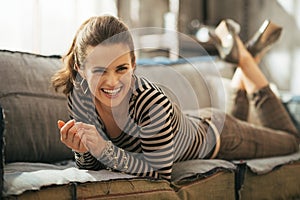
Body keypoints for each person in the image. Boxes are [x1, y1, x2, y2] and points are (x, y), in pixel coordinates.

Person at [51, 15, 300, 182]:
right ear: (81, 69)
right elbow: (92, 165)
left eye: (121, 69)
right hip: (193, 125)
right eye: (99, 71)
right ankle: (246, 58)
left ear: (134, 64)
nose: (112, 82)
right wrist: (81, 149)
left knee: (292, 142)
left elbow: (159, 172)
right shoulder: (81, 98)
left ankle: (244, 59)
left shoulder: (151, 102)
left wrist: (103, 148)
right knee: (239, 116)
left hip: (221, 137)